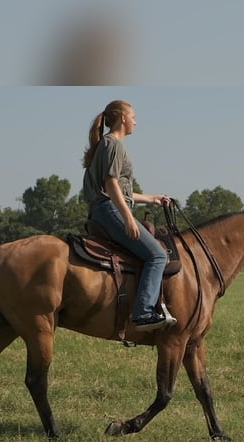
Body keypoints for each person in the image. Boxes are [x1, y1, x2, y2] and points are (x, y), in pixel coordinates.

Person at [81, 100, 176, 332]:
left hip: (104, 208)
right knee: (156, 255)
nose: (135, 121)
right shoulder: (114, 144)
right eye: (133, 116)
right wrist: (128, 218)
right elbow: (110, 184)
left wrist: (151, 198)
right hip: (110, 210)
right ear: (122, 118)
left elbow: (120, 189)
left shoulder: (106, 143)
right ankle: (143, 312)